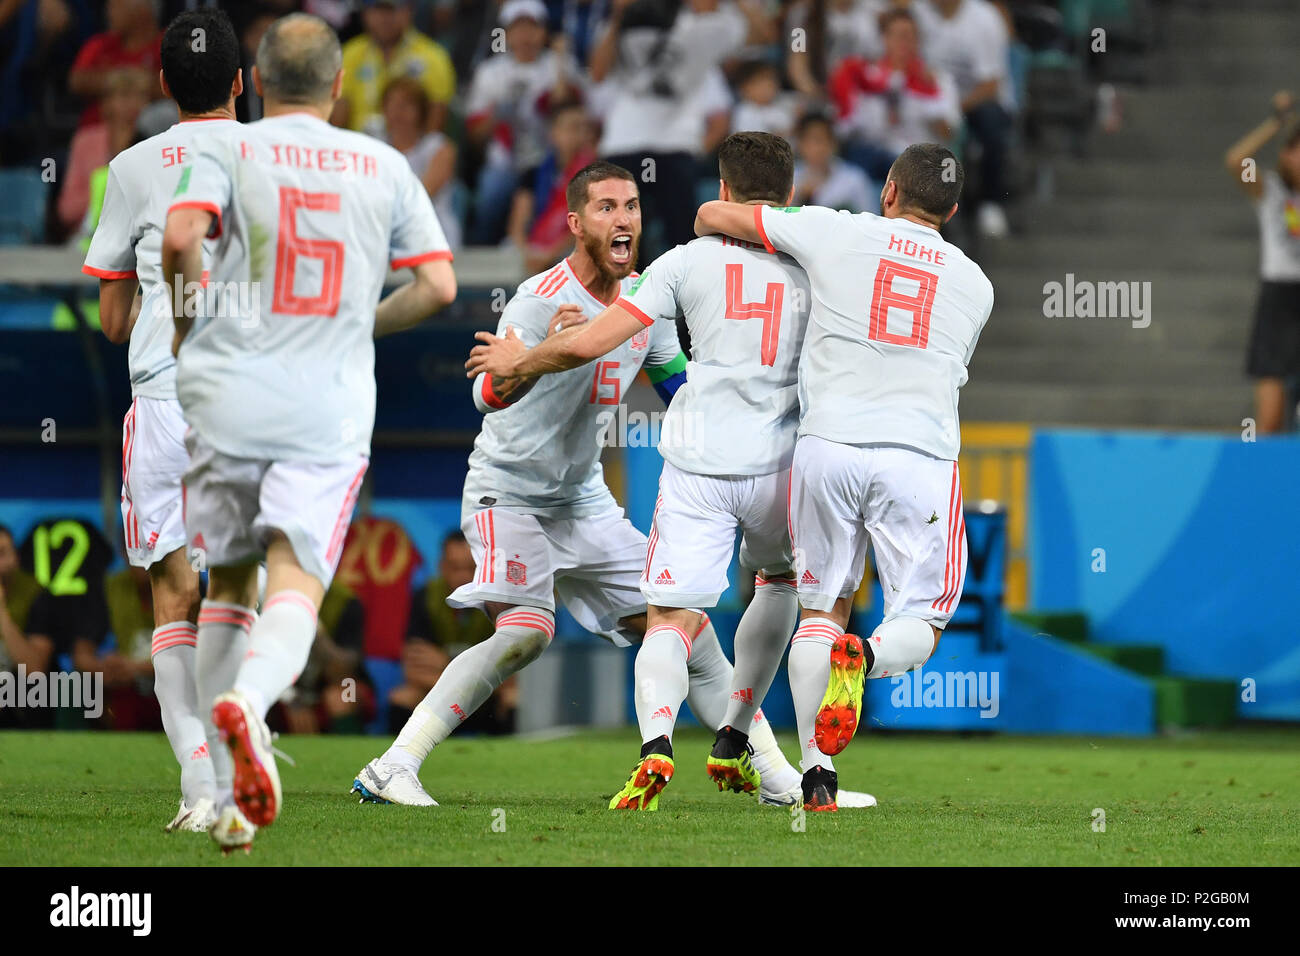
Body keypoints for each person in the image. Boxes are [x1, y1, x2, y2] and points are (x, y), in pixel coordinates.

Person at [355, 161, 809, 810]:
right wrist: (547, 357)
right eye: (606, 208)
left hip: (583, 501)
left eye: (631, 206)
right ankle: (393, 765)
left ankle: (773, 776)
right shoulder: (540, 300)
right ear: (575, 223)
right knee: (526, 630)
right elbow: (488, 392)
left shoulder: (645, 304)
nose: (624, 219)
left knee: (688, 628)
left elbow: (682, 392)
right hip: (507, 493)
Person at [465, 133, 875, 811]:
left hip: (700, 460)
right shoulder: (823, 265)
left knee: (669, 619)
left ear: (721, 192)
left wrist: (522, 361)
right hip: (783, 461)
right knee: (784, 592)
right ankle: (797, 765)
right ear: (793, 194)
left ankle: (657, 747)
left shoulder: (682, 264)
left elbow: (595, 341)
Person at [160, 11, 457, 853]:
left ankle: (223, 796)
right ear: (337, 85)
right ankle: (250, 707)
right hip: (323, 407)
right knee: (296, 575)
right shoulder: (383, 164)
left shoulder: (227, 148)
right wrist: (362, 321)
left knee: (228, 581)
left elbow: (182, 236)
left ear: (252, 82)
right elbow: (437, 286)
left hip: (221, 394)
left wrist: (189, 321)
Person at [693, 142, 993, 810]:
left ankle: (816, 775)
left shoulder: (834, 228)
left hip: (826, 446)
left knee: (819, 609)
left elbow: (718, 215)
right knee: (923, 617)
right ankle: (870, 659)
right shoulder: (976, 283)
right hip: (918, 454)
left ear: (888, 191)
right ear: (951, 208)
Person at [80, 7, 246, 836]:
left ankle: (200, 787)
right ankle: (244, 729)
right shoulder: (277, 160)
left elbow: (111, 322)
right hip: (258, 401)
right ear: (243, 82)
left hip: (165, 393)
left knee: (172, 596)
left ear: (160, 85)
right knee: (246, 589)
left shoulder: (133, 166)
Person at [464, 0, 584, 245]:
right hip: (506, 159)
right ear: (506, 34)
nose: (525, 35)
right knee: (492, 189)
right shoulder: (490, 72)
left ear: (544, 31)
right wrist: (498, 116)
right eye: (518, 28)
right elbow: (474, 134)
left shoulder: (559, 63)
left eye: (533, 27)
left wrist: (561, 64)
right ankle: (482, 257)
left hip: (550, 159)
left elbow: (575, 111)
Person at [1224, 90, 1300, 434]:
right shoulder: (1271, 191)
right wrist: (1276, 123)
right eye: (1297, 149)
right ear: (1286, 155)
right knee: (1269, 421)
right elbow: (1237, 159)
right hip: (1278, 301)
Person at [912, 0, 1015, 237]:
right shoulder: (919, 11)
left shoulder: (984, 19)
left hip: (977, 100)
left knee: (991, 124)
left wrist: (952, 108)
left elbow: (991, 85)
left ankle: (990, 201)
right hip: (935, 98)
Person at [388, 531, 501, 733]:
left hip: (488, 696)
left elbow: (510, 672)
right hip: (441, 693)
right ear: (441, 566)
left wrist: (445, 661)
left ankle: (505, 755)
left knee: (513, 697)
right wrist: (473, 676)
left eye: (471, 568)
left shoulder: (499, 600)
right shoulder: (425, 597)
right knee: (403, 697)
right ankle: (399, 760)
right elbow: (413, 671)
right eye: (455, 568)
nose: (464, 576)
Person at [830, 8, 959, 184]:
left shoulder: (938, 80)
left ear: (918, 41)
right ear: (885, 39)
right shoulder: (869, 77)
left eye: (910, 36)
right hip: (876, 157)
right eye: (898, 36)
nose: (904, 43)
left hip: (921, 159)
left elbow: (948, 135)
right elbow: (852, 130)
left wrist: (927, 93)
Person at [336, 0, 455, 137]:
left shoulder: (434, 57)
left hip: (409, 152)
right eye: (378, 9)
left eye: (392, 9)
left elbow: (434, 130)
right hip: (358, 148)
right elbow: (338, 123)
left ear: (410, 10)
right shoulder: (350, 53)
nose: (385, 18)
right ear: (365, 13)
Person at [507, 99, 596, 274]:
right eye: (572, 128)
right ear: (554, 133)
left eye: (584, 128)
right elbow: (517, 225)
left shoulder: (596, 175)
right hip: (534, 250)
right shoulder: (534, 173)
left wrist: (548, 257)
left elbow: (587, 226)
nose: (579, 135)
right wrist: (526, 252)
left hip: (570, 249)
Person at [381, 76, 462, 250]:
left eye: (406, 105)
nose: (398, 112)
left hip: (434, 230)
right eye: (392, 105)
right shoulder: (376, 147)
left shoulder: (439, 147)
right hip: (385, 230)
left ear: (421, 111)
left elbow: (422, 196)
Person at [68, 0, 162, 127]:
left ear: (141, 10)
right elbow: (76, 81)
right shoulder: (99, 44)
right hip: (96, 131)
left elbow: (181, 87)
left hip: (151, 134)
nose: (109, 13)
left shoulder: (167, 44)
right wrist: (123, 78)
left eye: (116, 6)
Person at [793, 112, 875, 212]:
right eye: (813, 140)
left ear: (833, 143)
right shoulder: (789, 179)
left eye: (823, 139)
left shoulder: (855, 179)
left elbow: (870, 220)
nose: (819, 148)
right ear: (800, 144)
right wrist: (801, 199)